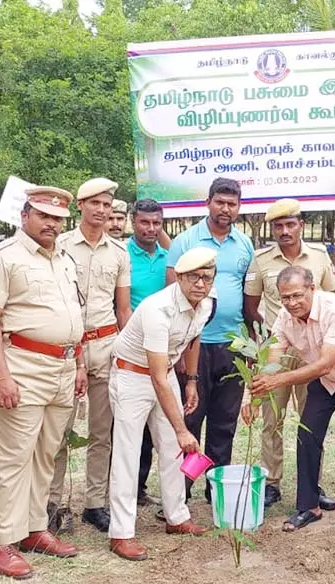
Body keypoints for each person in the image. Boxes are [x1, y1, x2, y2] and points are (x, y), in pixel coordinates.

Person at [0, 186, 87, 579]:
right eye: (43, 215)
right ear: (24, 216)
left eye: (57, 218)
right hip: (21, 364)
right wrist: (1, 373)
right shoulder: (2, 257)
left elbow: (75, 314)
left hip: (63, 365)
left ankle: (34, 529)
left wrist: (80, 365)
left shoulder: (65, 259)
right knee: (12, 456)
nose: (51, 224)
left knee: (46, 454)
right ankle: (2, 542)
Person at [249, 265, 335, 539]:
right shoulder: (285, 319)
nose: (292, 303)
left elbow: (324, 364)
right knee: (307, 434)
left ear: (313, 288)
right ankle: (308, 506)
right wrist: (255, 394)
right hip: (329, 379)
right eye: (285, 298)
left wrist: (278, 381)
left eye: (298, 295)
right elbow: (273, 360)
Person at [106, 248, 217, 560]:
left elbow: (193, 338)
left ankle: (177, 517)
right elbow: (154, 376)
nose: (200, 283)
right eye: (193, 277)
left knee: (173, 448)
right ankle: (121, 533)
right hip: (132, 375)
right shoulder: (158, 309)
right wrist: (182, 428)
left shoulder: (205, 303)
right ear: (179, 278)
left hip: (165, 373)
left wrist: (192, 379)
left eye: (207, 277)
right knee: (127, 453)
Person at [242, 198, 335, 509]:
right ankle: (271, 482)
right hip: (276, 351)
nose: (284, 231)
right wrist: (264, 341)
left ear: (301, 225)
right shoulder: (261, 261)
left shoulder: (320, 256)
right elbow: (250, 306)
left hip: (312, 351)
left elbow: (334, 298)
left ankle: (312, 483)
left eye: (290, 224)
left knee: (311, 419)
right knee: (272, 419)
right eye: (278, 226)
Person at [49, 178, 131, 534]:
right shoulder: (61, 246)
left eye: (107, 204)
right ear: (79, 206)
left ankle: (95, 502)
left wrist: (128, 351)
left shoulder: (118, 253)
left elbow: (123, 308)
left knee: (103, 432)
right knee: (59, 431)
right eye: (94, 203)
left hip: (107, 345)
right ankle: (52, 502)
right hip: (68, 349)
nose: (101, 209)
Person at [165, 178, 254, 495]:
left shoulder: (245, 244)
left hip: (233, 346)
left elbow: (248, 296)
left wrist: (252, 345)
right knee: (191, 418)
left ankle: (217, 490)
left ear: (239, 207)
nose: (225, 209)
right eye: (220, 202)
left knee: (224, 422)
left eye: (232, 203)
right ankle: (181, 490)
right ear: (208, 202)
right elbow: (169, 295)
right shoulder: (186, 241)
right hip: (193, 347)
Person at [127, 198, 171, 503]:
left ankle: (142, 489)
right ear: (133, 222)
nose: (151, 228)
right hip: (132, 352)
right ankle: (131, 488)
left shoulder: (169, 258)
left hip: (165, 351)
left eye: (156, 223)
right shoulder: (122, 255)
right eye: (144, 222)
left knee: (159, 423)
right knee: (131, 426)